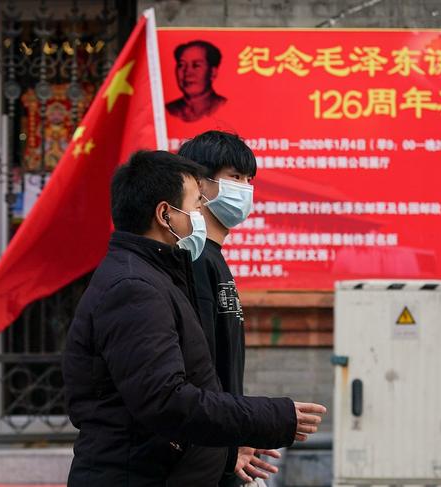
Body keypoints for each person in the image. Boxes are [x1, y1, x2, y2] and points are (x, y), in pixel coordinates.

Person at [62, 150, 326, 486]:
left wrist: (227, 451)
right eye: (196, 205)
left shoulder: (157, 274)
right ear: (165, 214)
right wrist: (270, 417)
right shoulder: (133, 288)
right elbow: (166, 401)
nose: (202, 213)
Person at [172, 130, 274, 486]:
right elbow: (200, 367)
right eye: (234, 178)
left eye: (249, 180)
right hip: (208, 451)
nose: (244, 189)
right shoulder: (195, 259)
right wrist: (227, 443)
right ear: (199, 184)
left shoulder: (213, 258)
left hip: (224, 444)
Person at [166, 40, 227, 122]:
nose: (187, 72)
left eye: (196, 65)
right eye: (181, 65)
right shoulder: (169, 110)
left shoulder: (223, 105)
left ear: (213, 72)